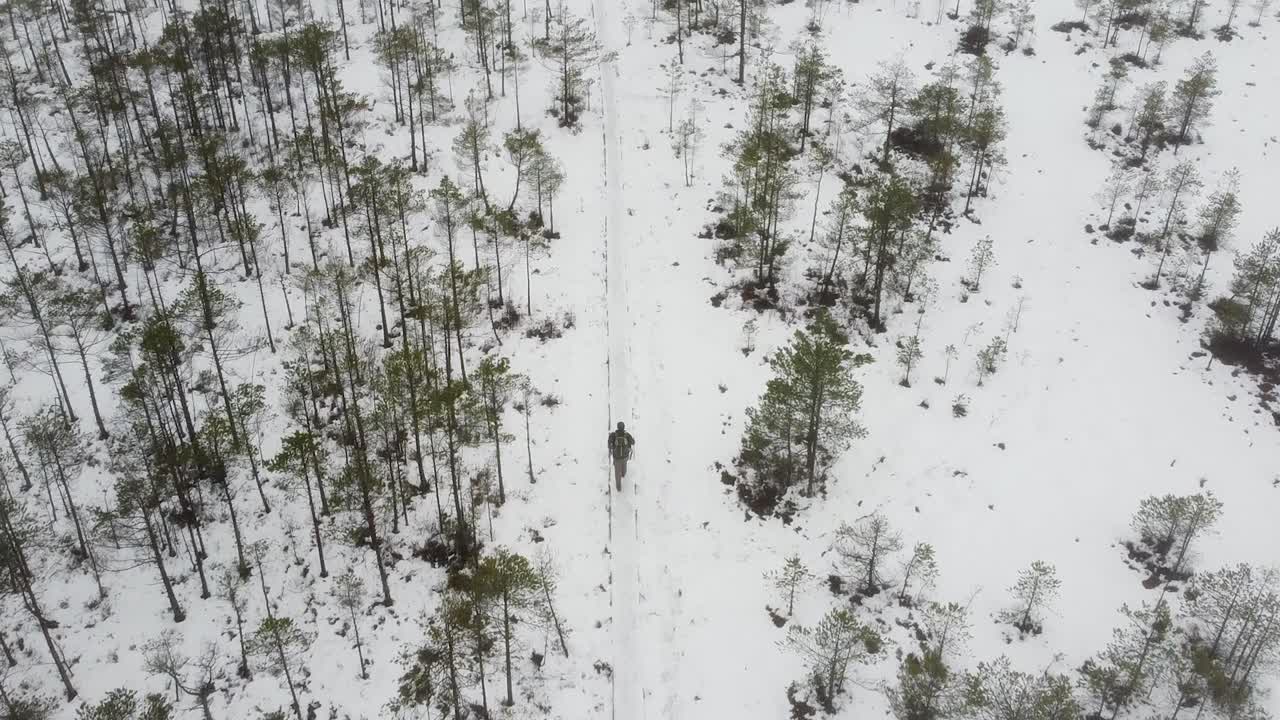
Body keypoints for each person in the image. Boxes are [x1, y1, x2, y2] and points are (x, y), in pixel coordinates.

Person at [607, 421, 635, 491]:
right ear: (624, 427)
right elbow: (633, 442)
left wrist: (612, 447)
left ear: (617, 427)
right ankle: (623, 474)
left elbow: (609, 444)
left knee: (617, 473)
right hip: (625, 456)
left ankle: (618, 487)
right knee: (624, 466)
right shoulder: (627, 435)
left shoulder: (613, 435)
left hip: (616, 457)